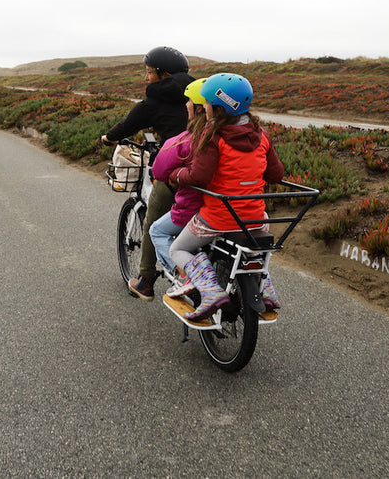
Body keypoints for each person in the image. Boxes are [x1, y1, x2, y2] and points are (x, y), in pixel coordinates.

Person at [167, 73, 285, 321]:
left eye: (208, 102)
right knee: (254, 249)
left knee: (178, 249)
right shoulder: (262, 135)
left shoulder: (214, 137)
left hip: (219, 217)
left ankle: (210, 292)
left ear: (219, 107)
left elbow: (198, 176)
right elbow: (276, 174)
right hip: (254, 218)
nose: (205, 107)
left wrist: (177, 175)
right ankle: (266, 289)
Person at [101, 46, 194, 301]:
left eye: (149, 72)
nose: (146, 78)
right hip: (205, 168)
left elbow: (128, 124)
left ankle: (145, 280)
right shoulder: (198, 96)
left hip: (175, 169)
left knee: (153, 220)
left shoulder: (156, 100)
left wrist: (109, 137)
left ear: (163, 74)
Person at [147, 78, 208, 277]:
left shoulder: (185, 140)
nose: (186, 104)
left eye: (189, 101)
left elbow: (159, 170)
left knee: (156, 230)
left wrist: (176, 174)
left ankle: (183, 275)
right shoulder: (225, 138)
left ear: (200, 108)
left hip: (193, 209)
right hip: (230, 208)